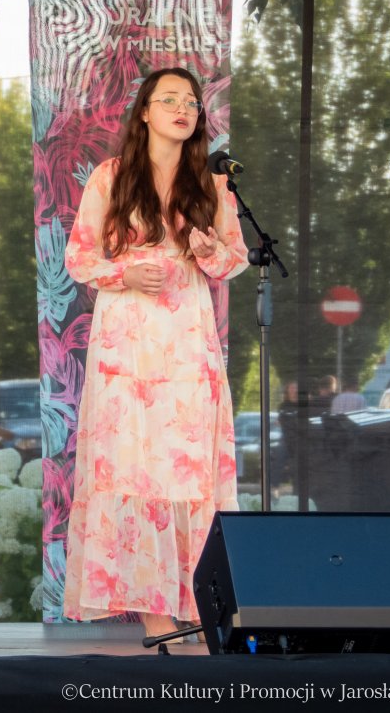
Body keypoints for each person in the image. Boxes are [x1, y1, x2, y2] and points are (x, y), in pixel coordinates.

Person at [62, 67, 249, 642]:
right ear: (144, 111)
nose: (182, 108)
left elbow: (233, 262)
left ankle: (199, 600)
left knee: (189, 471)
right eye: (168, 99)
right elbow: (79, 258)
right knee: (134, 467)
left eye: (191, 101)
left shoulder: (214, 184)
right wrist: (124, 272)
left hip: (188, 344)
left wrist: (210, 245)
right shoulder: (110, 178)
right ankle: (154, 607)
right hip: (127, 345)